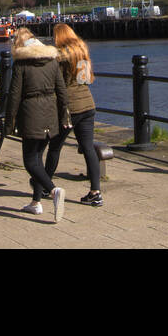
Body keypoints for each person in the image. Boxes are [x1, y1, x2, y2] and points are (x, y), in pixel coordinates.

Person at [3, 27, 70, 222]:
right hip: (50, 114)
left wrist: (9, 123)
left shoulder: (21, 64)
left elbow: (14, 96)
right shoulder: (51, 61)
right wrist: (64, 116)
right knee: (39, 158)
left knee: (31, 161)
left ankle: (53, 190)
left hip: (31, 115)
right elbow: (62, 91)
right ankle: (35, 202)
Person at [44, 24, 103, 206]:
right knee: (88, 148)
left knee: (55, 146)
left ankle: (46, 185)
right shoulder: (82, 51)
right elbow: (85, 79)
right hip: (87, 105)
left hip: (69, 109)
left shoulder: (58, 57)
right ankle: (95, 191)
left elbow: (56, 85)